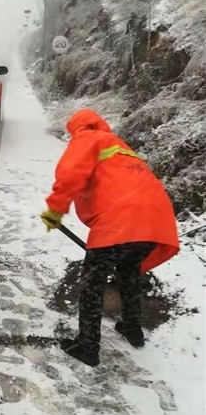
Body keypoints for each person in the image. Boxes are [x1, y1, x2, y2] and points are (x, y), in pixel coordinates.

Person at [40, 108, 180, 367]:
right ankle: (132, 328)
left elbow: (71, 173)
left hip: (120, 219)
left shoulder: (87, 138)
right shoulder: (120, 145)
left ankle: (88, 346)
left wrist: (55, 210)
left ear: (76, 128)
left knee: (93, 282)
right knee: (129, 271)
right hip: (156, 218)